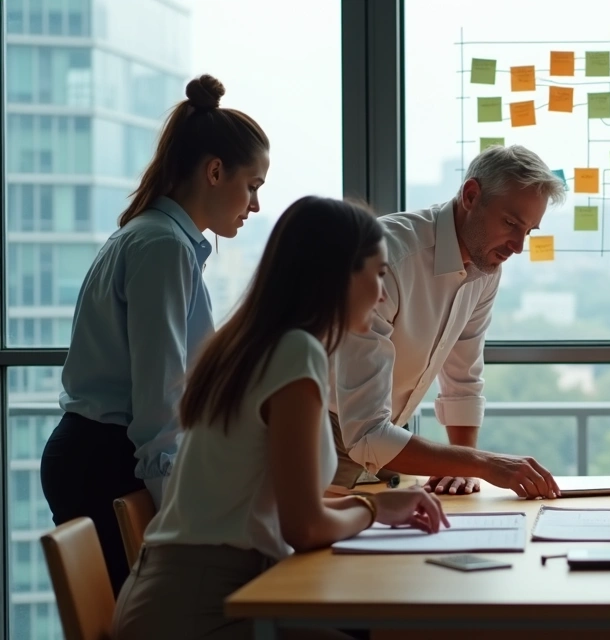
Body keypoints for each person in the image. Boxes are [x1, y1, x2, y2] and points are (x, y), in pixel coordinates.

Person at [112, 196, 449, 640]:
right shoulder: (295, 352)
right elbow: (304, 527)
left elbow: (279, 507)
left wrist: (375, 507)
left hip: (188, 592)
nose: (384, 292)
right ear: (339, 275)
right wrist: (371, 509)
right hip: (200, 609)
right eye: (379, 273)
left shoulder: (252, 342)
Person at [42, 74, 269, 595]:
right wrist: (181, 518)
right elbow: (161, 399)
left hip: (101, 454)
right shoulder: (163, 247)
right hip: (105, 461)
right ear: (216, 171)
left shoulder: (153, 237)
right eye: (252, 185)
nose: (254, 205)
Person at [329, 144, 566, 499]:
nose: (518, 246)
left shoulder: (487, 264)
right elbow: (365, 434)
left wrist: (462, 470)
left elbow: (463, 377)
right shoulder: (389, 256)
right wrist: (480, 463)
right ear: (471, 195)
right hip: (323, 431)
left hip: (382, 432)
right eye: (510, 223)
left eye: (529, 231)